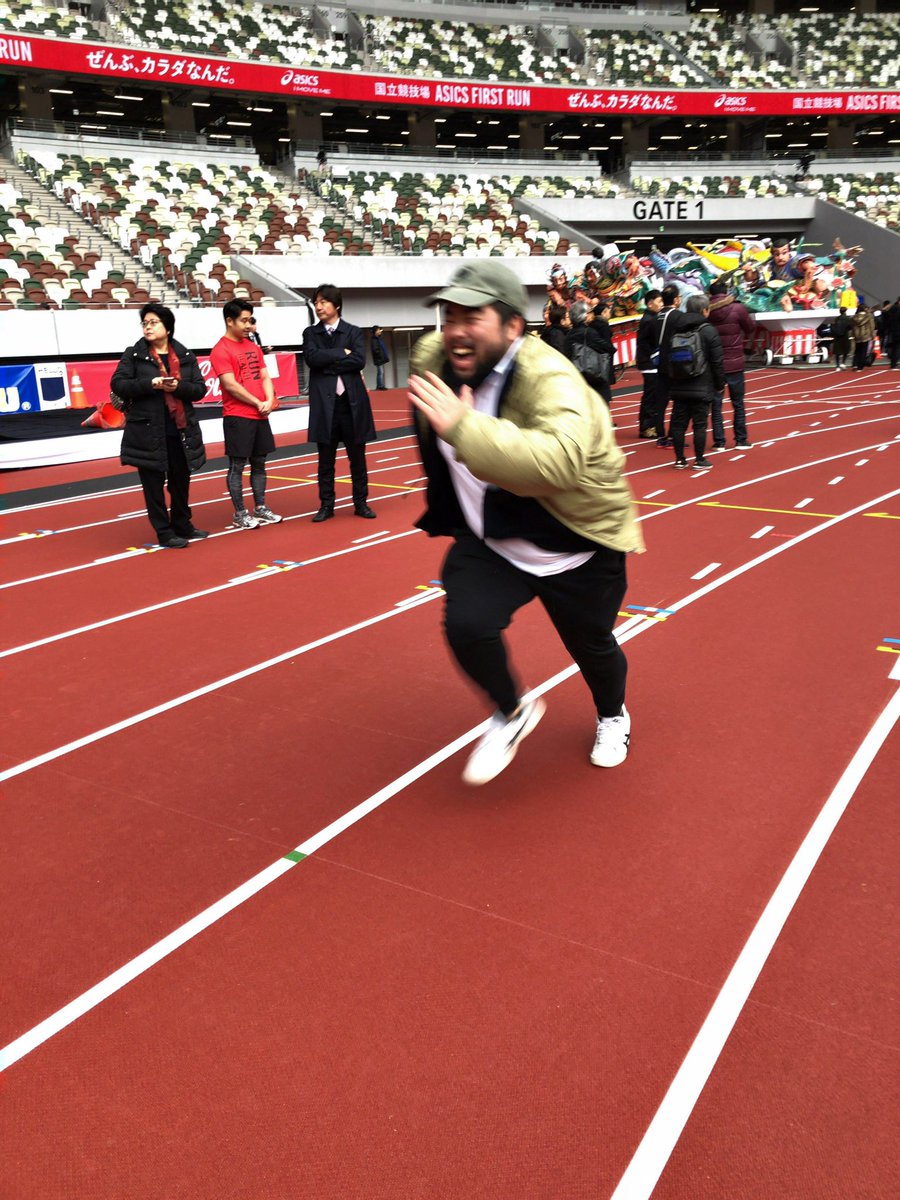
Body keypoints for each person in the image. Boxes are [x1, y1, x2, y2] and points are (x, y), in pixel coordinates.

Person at [407, 260, 644, 786]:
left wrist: (464, 428)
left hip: (574, 542)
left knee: (592, 645)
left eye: (473, 316)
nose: (455, 331)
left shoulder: (552, 379)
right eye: (449, 315)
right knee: (467, 626)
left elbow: (559, 463)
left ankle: (613, 715)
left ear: (514, 326)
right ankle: (510, 712)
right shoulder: (432, 357)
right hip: (493, 536)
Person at [112, 302, 208, 549]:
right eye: (145, 323)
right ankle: (163, 532)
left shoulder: (185, 355)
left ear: (168, 327)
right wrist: (149, 383)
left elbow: (199, 389)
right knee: (153, 485)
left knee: (180, 480)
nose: (148, 327)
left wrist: (178, 387)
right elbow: (118, 384)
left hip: (180, 428)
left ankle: (182, 523)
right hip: (147, 430)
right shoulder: (134, 354)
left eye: (153, 322)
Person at [303, 283, 377, 521]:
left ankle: (361, 502)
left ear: (336, 305)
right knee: (326, 461)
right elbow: (312, 359)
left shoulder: (353, 331)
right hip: (326, 406)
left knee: (357, 458)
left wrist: (330, 363)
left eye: (323, 302)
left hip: (351, 403)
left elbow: (358, 360)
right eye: (316, 302)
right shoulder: (310, 333)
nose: (318, 306)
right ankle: (326, 505)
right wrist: (340, 354)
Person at [210, 299, 283, 530]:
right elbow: (230, 385)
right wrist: (257, 402)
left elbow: (265, 376)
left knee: (260, 463)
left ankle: (260, 507)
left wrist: (269, 400)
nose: (248, 325)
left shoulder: (253, 347)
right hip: (238, 416)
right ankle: (240, 513)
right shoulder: (220, 350)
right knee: (237, 465)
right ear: (229, 321)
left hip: (260, 414)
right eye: (243, 320)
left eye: (250, 320)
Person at [659, 293, 725, 471]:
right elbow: (717, 361)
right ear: (705, 310)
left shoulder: (676, 328)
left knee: (679, 424)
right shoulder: (709, 330)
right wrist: (720, 384)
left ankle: (680, 459)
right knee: (700, 425)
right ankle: (699, 459)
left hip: (679, 383)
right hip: (702, 384)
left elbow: (666, 355)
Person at [707, 278, 754, 450]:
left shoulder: (706, 311)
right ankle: (741, 439)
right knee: (738, 403)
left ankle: (719, 441)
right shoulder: (738, 308)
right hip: (735, 362)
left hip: (714, 363)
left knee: (716, 404)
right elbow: (749, 327)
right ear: (726, 291)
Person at [564, 298, 615, 410]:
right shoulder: (590, 332)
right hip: (594, 375)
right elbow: (608, 348)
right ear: (584, 316)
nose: (591, 315)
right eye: (589, 312)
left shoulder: (568, 335)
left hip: (577, 377)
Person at [653, 284, 681, 446]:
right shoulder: (678, 316)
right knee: (677, 401)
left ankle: (660, 435)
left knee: (661, 402)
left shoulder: (656, 316)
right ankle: (672, 435)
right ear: (676, 299)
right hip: (674, 363)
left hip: (659, 362)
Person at [635, 288, 663, 438]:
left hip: (650, 361)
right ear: (650, 303)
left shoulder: (652, 318)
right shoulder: (649, 320)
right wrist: (654, 355)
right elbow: (646, 343)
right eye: (659, 301)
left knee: (653, 394)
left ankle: (651, 424)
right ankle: (646, 426)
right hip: (649, 363)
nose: (661, 304)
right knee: (650, 395)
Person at [851, 302, 877, 371]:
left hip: (857, 336)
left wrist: (853, 335)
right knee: (863, 351)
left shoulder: (854, 317)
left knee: (857, 350)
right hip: (865, 335)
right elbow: (872, 326)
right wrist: (873, 335)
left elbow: (853, 327)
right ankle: (860, 367)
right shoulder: (868, 316)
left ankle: (855, 364)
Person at [830, 306, 853, 370]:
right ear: (845, 311)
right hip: (845, 336)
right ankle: (843, 363)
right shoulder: (848, 319)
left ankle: (837, 365)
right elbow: (850, 327)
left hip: (837, 337)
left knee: (837, 352)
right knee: (845, 350)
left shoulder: (837, 319)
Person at [882, 296, 900, 369]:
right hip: (898, 331)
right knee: (897, 348)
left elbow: (886, 319)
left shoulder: (891, 308)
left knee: (894, 347)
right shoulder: (898, 309)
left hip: (892, 331)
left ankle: (893, 363)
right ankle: (894, 364)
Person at [370, 325, 390, 390]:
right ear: (375, 331)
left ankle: (379, 385)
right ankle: (380, 386)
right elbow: (376, 350)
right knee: (380, 372)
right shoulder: (374, 340)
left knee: (380, 372)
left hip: (379, 358)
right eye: (378, 330)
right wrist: (380, 356)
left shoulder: (377, 339)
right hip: (379, 359)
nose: (380, 331)